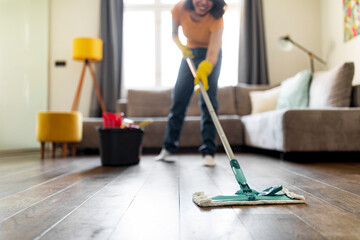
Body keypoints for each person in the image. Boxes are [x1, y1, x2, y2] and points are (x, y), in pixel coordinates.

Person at [155, 0, 226, 167]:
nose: (204, 2)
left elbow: (214, 50)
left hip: (211, 55)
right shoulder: (180, 8)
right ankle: (168, 147)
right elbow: (174, 34)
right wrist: (180, 46)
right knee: (178, 100)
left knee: (209, 102)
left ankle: (208, 151)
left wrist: (207, 66)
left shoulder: (217, 17)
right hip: (189, 54)